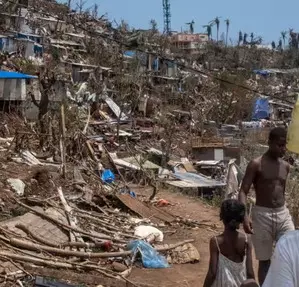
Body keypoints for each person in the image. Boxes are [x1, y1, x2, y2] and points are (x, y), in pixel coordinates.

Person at [238, 127, 294, 285]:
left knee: (291, 250)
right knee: (265, 260)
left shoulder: (286, 166)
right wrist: (245, 216)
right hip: (262, 216)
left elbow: (280, 192)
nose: (283, 149)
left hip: (282, 214)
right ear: (269, 143)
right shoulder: (256, 164)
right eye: (279, 145)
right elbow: (243, 191)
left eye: (285, 145)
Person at [204, 199, 257, 287]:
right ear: (240, 219)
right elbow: (250, 272)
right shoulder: (246, 240)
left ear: (222, 217)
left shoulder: (216, 242)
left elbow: (212, 273)